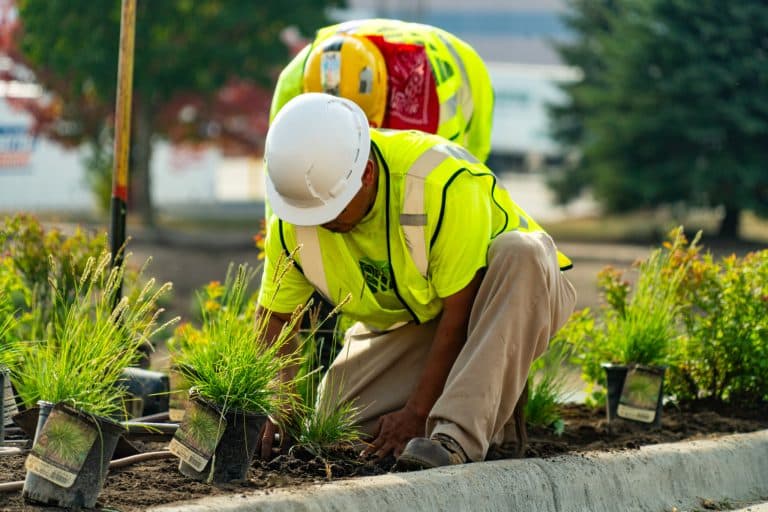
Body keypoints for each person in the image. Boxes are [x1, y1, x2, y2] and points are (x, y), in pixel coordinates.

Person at [256, 93, 576, 469]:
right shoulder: (298, 214)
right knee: (334, 430)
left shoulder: (437, 182)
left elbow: (460, 316)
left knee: (521, 251)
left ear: (368, 173)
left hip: (506, 298)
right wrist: (280, 406)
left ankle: (456, 437)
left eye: (334, 209)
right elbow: (273, 319)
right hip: (416, 316)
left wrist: (417, 411)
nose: (324, 223)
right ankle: (487, 412)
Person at [270, 18, 494, 163]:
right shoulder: (297, 78)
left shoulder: (439, 104)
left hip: (459, 75)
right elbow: (278, 166)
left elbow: (464, 169)